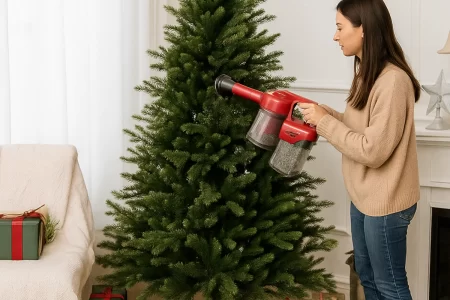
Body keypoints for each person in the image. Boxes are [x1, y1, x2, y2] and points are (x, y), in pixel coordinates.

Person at [299, 0, 421, 299]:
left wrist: (325, 123)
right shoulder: (367, 74)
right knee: (367, 278)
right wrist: (326, 114)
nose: (335, 36)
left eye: (340, 27)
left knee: (390, 286)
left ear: (363, 29)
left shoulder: (393, 81)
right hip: (363, 198)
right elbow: (360, 129)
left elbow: (372, 151)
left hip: (386, 203)